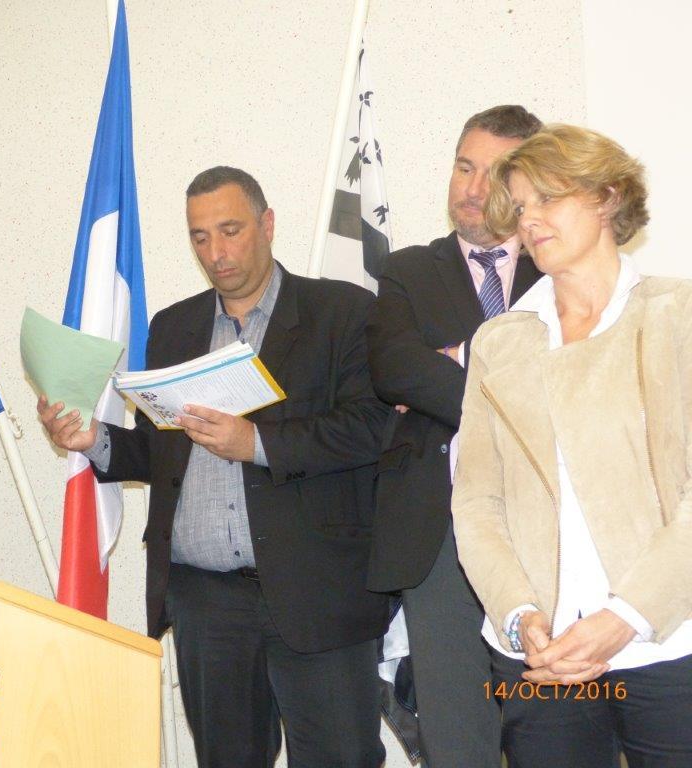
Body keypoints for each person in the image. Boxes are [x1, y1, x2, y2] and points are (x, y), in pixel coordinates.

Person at [39, 166, 389, 768]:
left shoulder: (340, 312)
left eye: (230, 231)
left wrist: (258, 442)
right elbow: (161, 452)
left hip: (316, 593)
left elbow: (371, 428)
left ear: (267, 224)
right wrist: (94, 441)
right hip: (205, 600)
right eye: (200, 237)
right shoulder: (174, 327)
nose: (216, 253)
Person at [453, 123, 692, 767]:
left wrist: (626, 618)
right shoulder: (500, 342)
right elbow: (476, 503)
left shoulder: (678, 314)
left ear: (607, 196)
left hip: (671, 646)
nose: (529, 220)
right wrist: (520, 615)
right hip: (540, 661)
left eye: (548, 198)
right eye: (520, 207)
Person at [365, 105, 543, 768]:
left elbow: (567, 380)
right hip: (439, 537)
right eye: (464, 167)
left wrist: (456, 362)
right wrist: (515, 382)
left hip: (546, 532)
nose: (471, 188)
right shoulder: (408, 271)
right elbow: (395, 370)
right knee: (457, 735)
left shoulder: (557, 269)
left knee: (553, 727)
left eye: (491, 173)